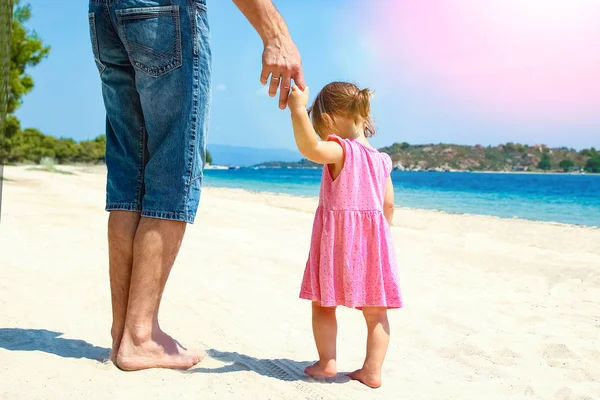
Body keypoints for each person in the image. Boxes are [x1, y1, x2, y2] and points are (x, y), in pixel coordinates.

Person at [88, 0, 304, 371]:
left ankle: (123, 332)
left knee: (130, 179)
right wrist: (275, 33)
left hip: (104, 12)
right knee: (173, 174)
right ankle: (140, 337)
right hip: (163, 11)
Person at [287, 82, 403, 388]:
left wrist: (297, 108)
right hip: (373, 244)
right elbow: (388, 205)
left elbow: (310, 149)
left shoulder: (340, 150)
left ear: (327, 119)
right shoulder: (381, 161)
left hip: (336, 244)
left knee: (324, 303)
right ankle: (372, 371)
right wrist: (379, 236)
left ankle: (327, 363)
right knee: (376, 312)